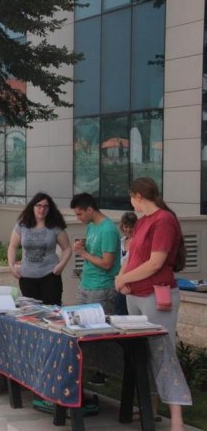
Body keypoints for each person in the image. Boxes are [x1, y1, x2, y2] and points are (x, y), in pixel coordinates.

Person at [114, 177, 192, 431]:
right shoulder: (142, 222)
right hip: (134, 294)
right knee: (142, 355)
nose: (130, 202)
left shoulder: (164, 220)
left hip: (155, 296)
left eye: (131, 197)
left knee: (163, 353)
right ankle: (151, 408)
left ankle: (177, 419)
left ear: (138, 195)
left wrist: (124, 278)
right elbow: (132, 256)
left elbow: (155, 263)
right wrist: (121, 278)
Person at [8, 192, 72, 305]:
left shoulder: (55, 227)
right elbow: (12, 247)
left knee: (52, 312)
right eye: (39, 205)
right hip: (27, 278)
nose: (42, 209)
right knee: (31, 312)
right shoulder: (22, 225)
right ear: (32, 206)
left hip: (50, 277)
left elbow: (67, 248)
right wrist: (11, 266)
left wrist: (61, 265)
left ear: (49, 209)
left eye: (45, 206)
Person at [69, 192, 120, 315]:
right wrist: (82, 246)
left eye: (80, 214)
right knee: (78, 320)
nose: (78, 218)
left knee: (97, 324)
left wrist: (83, 253)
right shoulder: (91, 225)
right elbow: (93, 251)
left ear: (89, 209)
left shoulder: (108, 230)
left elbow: (107, 264)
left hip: (101, 287)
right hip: (85, 283)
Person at [115, 211, 137, 316]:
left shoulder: (138, 242)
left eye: (131, 227)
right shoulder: (121, 241)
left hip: (132, 284)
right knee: (119, 312)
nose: (128, 230)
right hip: (120, 283)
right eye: (126, 226)